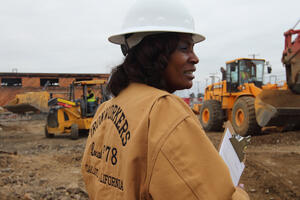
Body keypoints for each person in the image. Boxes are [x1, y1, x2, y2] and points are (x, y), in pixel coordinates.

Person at [81, 0, 249, 199]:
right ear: (155, 52)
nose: (195, 58)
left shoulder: (105, 110)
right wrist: (238, 194)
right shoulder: (163, 110)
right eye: (184, 48)